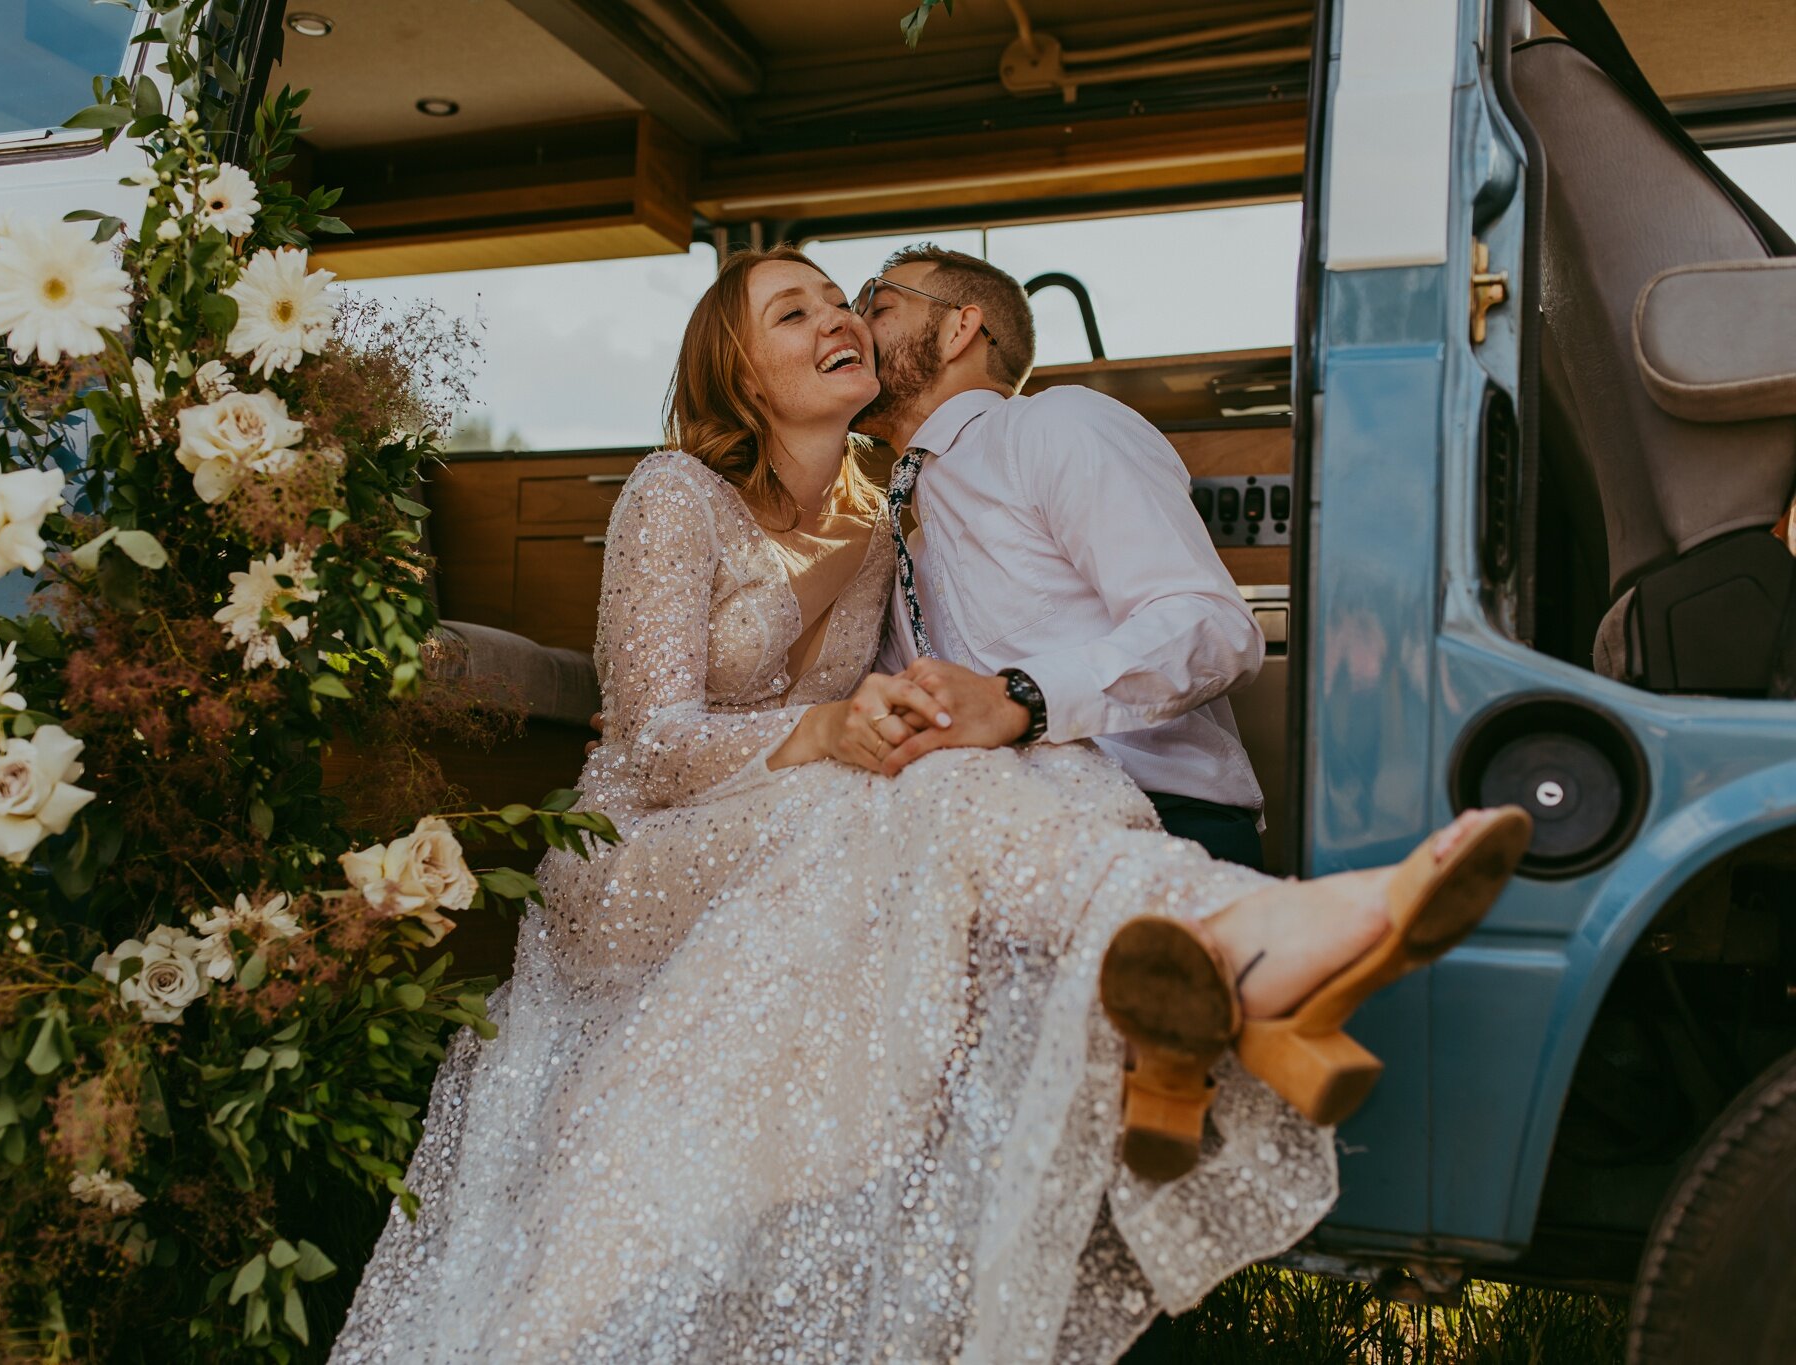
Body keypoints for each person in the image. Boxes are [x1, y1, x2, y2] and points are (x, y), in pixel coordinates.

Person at [330, 247, 1529, 1364]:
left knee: (988, 773)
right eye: (798, 310)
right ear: (736, 371)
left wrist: (975, 707)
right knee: (965, 779)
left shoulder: (953, 477)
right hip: (663, 843)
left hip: (1021, 809)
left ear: (962, 329)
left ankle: (1209, 973)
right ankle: (1246, 951)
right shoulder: (683, 493)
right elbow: (653, 743)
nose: (844, 316)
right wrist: (840, 733)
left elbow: (1175, 638)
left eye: (865, 300)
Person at [856, 244, 1269, 872]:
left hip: (1161, 827)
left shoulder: (1055, 426)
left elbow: (1215, 629)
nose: (854, 326)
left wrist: (1020, 699)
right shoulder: (910, 543)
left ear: (958, 329)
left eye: (879, 306)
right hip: (995, 837)